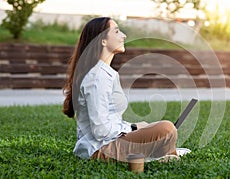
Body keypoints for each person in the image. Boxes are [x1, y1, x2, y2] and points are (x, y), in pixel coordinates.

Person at [62, 17, 181, 162]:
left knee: (159, 128)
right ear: (103, 40)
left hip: (108, 143)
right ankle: (162, 154)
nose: (123, 35)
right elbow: (100, 130)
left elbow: (109, 120)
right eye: (117, 31)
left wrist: (137, 127)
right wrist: (133, 128)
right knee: (167, 128)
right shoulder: (97, 77)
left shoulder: (104, 73)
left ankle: (163, 154)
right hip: (100, 150)